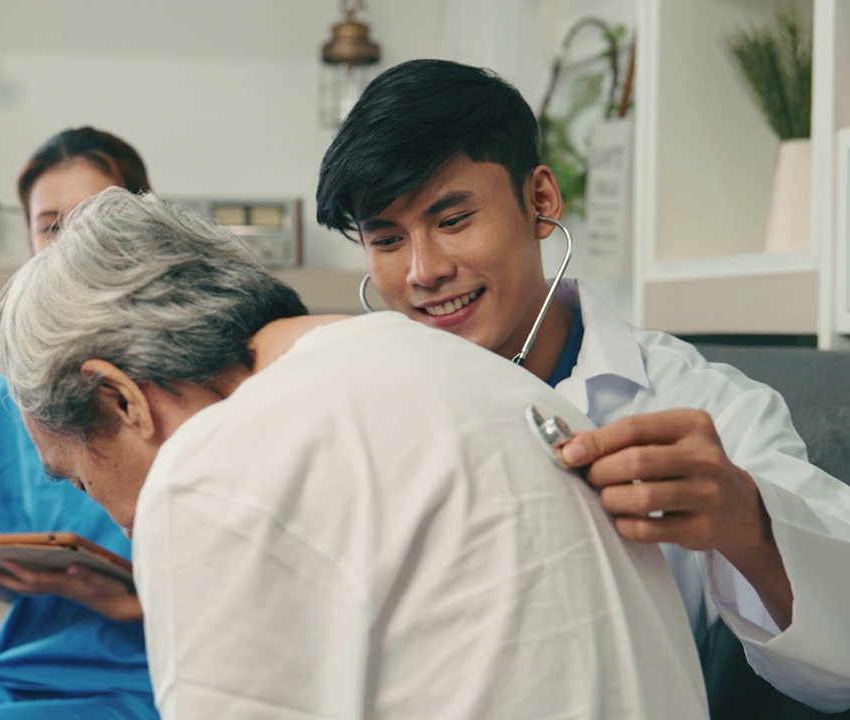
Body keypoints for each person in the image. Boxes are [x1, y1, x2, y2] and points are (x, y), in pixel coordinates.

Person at [0, 187, 709, 719]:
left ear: (119, 398)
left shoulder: (207, 471)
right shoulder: (476, 372)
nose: (114, 522)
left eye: (81, 481)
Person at [315, 58, 850, 713]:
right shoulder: (351, 405)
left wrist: (747, 522)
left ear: (540, 201)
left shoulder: (696, 403)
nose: (424, 271)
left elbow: (841, 661)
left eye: (453, 220)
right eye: (389, 238)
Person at [0, 128, 159, 720]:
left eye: (94, 219)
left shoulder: (185, 386)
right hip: (15, 671)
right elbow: (12, 583)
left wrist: (118, 598)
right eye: (50, 226)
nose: (70, 245)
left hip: (145, 678)